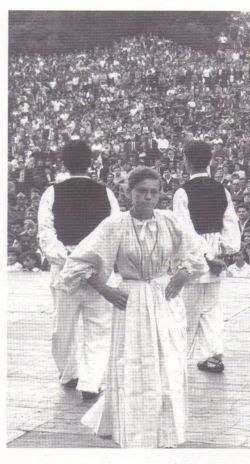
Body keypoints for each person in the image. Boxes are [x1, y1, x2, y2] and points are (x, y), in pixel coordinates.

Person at [56, 167, 207, 448]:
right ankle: (135, 429)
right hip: (132, 299)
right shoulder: (115, 225)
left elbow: (195, 254)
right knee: (135, 363)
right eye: (141, 191)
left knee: (169, 362)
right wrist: (105, 289)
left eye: (154, 191)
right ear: (129, 193)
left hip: (165, 298)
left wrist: (184, 273)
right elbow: (78, 263)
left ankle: (167, 431)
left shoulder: (171, 221)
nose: (148, 197)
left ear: (161, 193)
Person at [37, 140, 120, 401]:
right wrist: (96, 260)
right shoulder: (105, 192)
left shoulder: (52, 192)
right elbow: (115, 230)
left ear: (64, 163)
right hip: (98, 267)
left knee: (63, 326)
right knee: (99, 327)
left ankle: (70, 373)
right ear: (91, 162)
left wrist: (69, 259)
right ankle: (92, 380)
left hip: (66, 267)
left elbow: (46, 233)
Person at [173, 141, 241, 374]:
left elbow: (184, 228)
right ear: (210, 161)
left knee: (188, 309)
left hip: (195, 252)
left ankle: (181, 357)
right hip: (215, 251)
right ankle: (212, 354)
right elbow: (230, 222)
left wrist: (206, 256)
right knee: (211, 307)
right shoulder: (222, 189)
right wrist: (226, 252)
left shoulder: (182, 192)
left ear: (187, 161)